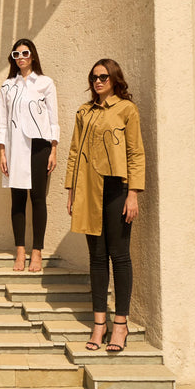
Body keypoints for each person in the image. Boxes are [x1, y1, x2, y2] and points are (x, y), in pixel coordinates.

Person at [64, 59, 145, 353]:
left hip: (117, 189)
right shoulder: (84, 112)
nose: (97, 82)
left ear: (114, 80)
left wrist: (133, 193)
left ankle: (120, 324)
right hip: (88, 189)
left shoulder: (126, 109)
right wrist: (71, 189)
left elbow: (136, 153)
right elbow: (74, 152)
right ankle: (99, 324)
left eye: (103, 77)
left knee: (119, 256)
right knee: (97, 257)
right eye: (94, 77)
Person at [0, 39, 59, 272]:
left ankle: (37, 252)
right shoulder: (7, 86)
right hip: (15, 147)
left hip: (40, 145)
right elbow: (2, 121)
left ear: (32, 56)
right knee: (18, 198)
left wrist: (54, 149)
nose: (21, 57)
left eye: (25, 53)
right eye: (16, 54)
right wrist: (2, 152)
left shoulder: (45, 83)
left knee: (38, 198)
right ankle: (20, 251)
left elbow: (53, 119)